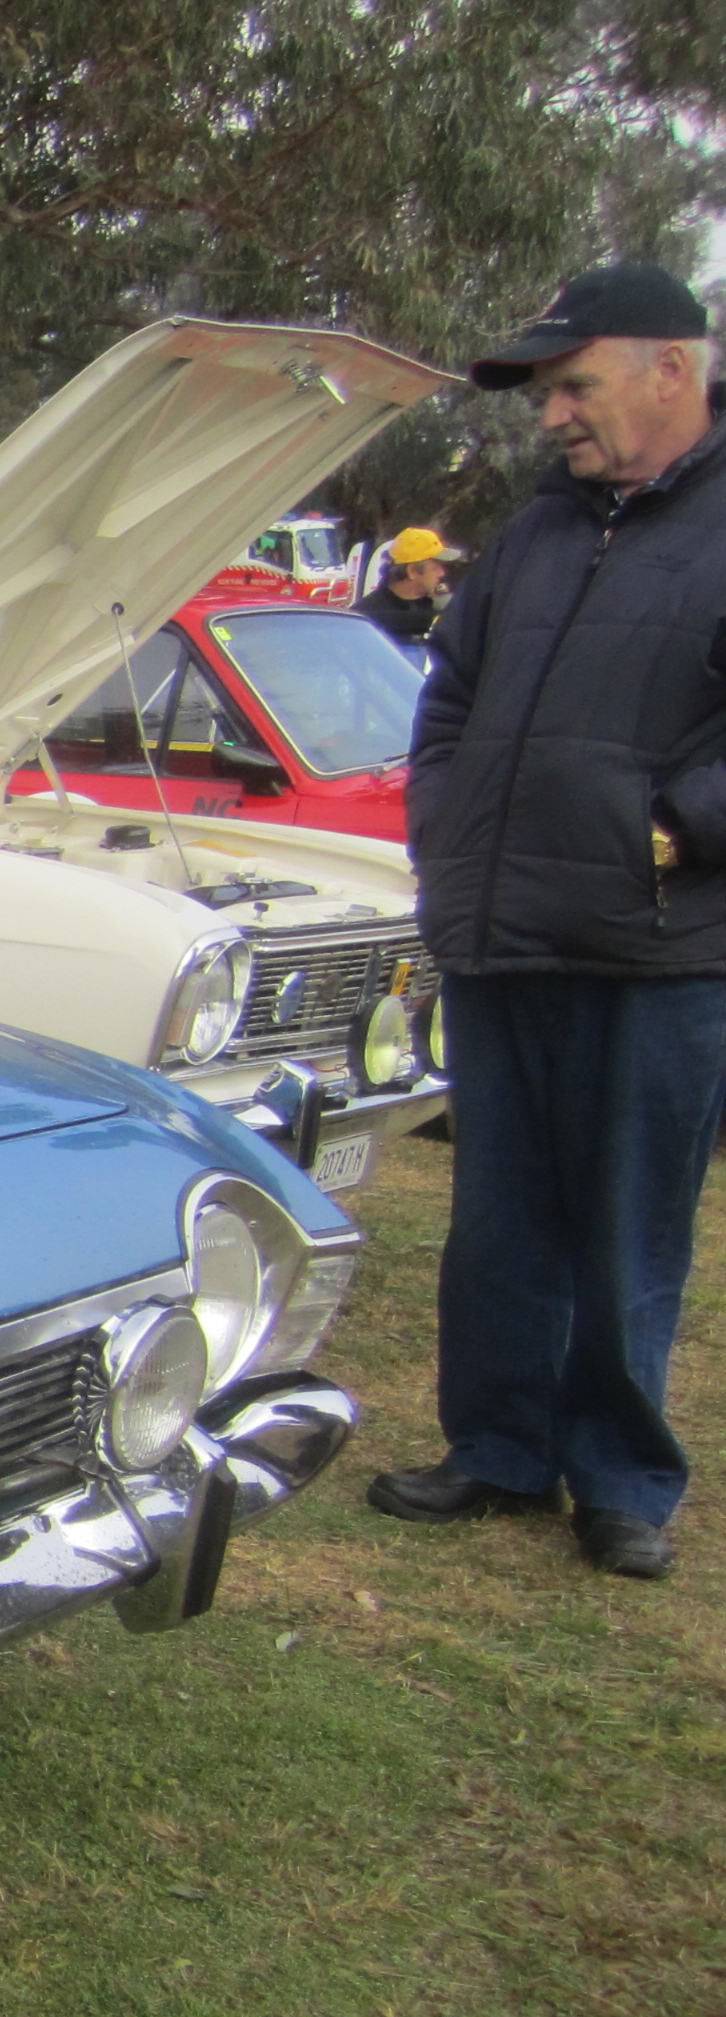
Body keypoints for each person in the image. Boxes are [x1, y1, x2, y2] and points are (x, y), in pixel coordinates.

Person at [368, 261, 726, 1579]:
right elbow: (450, 702)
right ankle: (499, 1448)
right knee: (500, 1215)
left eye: (575, 386)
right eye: (548, 394)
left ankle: (621, 1477)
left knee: (631, 1221)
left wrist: (678, 829)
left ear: (672, 370)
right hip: (504, 928)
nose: (554, 416)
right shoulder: (532, 536)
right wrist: (446, 830)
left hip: (660, 946)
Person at [356, 526, 460, 643]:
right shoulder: (363, 616)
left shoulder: (439, 604)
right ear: (413, 571)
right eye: (435, 567)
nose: (442, 573)